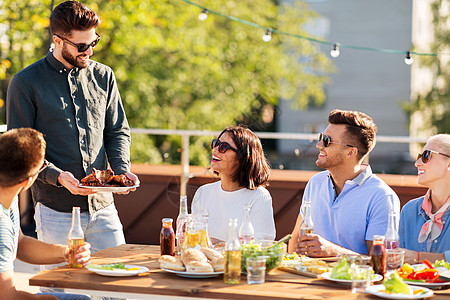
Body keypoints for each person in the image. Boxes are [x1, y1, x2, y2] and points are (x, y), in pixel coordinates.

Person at [6, 0, 139, 273]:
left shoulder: (105, 76)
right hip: (55, 211)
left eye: (94, 43)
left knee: (117, 285)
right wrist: (58, 177)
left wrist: (122, 171)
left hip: (104, 208)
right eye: (81, 46)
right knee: (62, 288)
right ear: (57, 40)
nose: (89, 51)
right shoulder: (25, 82)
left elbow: (117, 131)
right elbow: (21, 152)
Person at [288, 109, 400, 256]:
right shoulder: (315, 183)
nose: (319, 144)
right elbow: (295, 241)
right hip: (309, 276)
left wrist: (334, 252)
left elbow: (379, 263)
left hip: (353, 279)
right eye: (321, 137)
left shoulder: (382, 197)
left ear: (350, 152)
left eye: (327, 140)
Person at [0, 128, 91, 300]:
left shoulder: (8, 197)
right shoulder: (1, 225)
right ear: (29, 180)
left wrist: (65, 253)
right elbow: (7, 296)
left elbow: (19, 244)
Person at [191, 125, 276, 242]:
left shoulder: (260, 197)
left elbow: (259, 249)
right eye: (216, 143)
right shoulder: (203, 193)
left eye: (223, 147)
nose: (215, 150)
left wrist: (212, 243)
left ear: (243, 158)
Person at [399, 134, 450, 264]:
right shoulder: (409, 210)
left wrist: (420, 257)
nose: (417, 163)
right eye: (419, 157)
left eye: (426, 155)